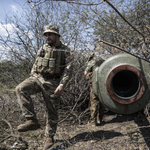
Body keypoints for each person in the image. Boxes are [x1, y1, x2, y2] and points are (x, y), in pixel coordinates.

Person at [15, 25, 72, 150]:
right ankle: (31, 121)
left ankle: (49, 137)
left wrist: (62, 84)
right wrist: (32, 76)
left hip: (53, 82)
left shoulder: (65, 50)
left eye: (50, 34)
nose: (47, 37)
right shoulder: (43, 48)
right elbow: (36, 63)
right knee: (20, 88)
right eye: (46, 34)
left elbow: (68, 70)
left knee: (52, 111)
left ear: (57, 35)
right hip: (38, 78)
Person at [84, 52, 105, 126]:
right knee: (102, 102)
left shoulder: (91, 62)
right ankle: (100, 119)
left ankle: (93, 122)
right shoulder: (103, 60)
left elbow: (85, 73)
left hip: (95, 84)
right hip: (103, 85)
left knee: (94, 102)